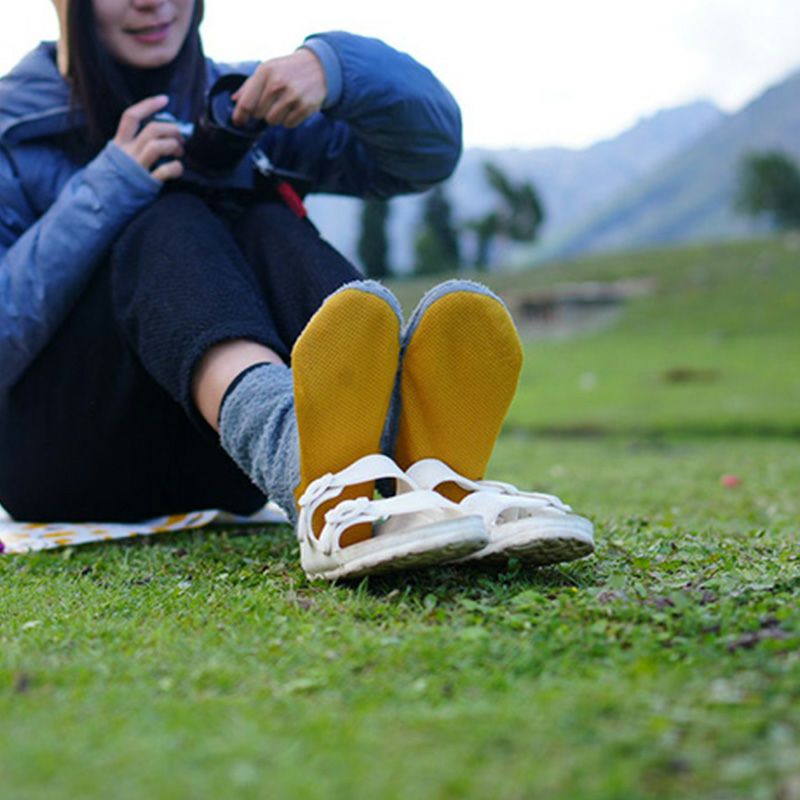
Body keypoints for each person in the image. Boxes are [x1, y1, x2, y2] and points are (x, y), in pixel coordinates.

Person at [0, 0, 594, 580]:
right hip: (67, 461)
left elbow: (428, 152)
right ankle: (308, 458)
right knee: (164, 215)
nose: (151, 2)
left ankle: (424, 478)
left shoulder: (242, 99)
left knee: (264, 215)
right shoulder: (12, 123)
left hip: (225, 469)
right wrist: (108, 188)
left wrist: (334, 69)